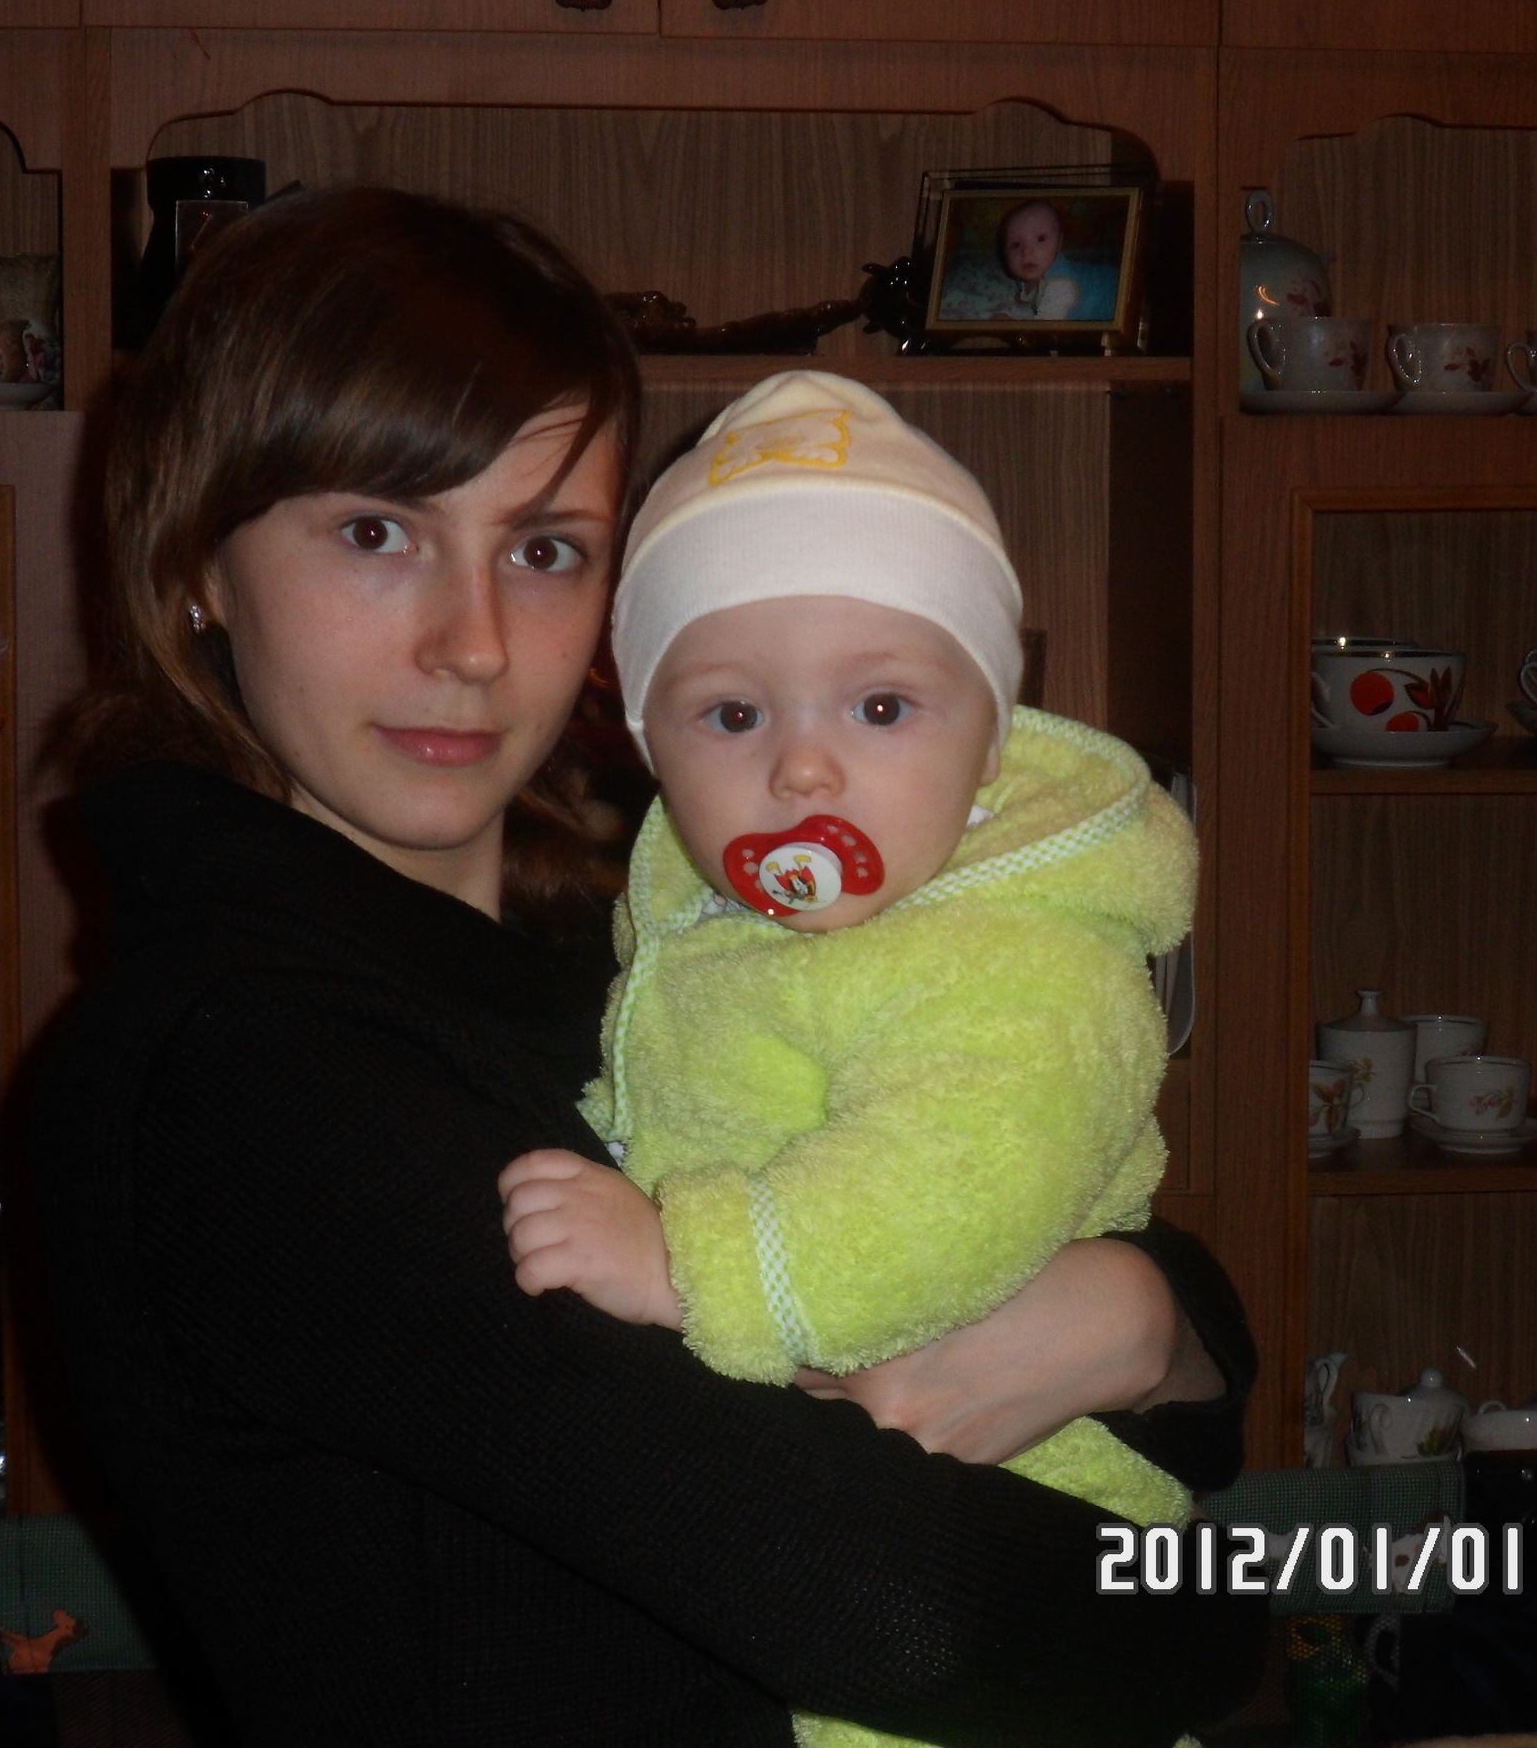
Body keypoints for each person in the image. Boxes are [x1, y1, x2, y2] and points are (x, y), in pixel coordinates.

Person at [36, 186, 1264, 1748]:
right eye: (376, 532)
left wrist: (1141, 1321)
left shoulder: (638, 958)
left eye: (544, 549)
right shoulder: (240, 1076)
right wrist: (1229, 1610)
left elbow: (1133, 1312)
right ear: (200, 559)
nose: (474, 641)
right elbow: (908, 1615)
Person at [499, 370, 1199, 1748]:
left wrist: (682, 1260)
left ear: (990, 741)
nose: (804, 773)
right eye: (733, 716)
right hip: (807, 1548)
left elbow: (954, 1184)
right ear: (648, 745)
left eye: (881, 709)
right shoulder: (702, 937)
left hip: (1013, 1525)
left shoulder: (1020, 958)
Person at [990, 199, 1080, 320]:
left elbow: (1044, 326)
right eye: (1016, 245)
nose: (1026, 251)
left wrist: (1012, 323)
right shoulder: (1031, 274)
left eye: (1040, 239)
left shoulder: (1060, 285)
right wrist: (1025, 298)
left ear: (1059, 242)